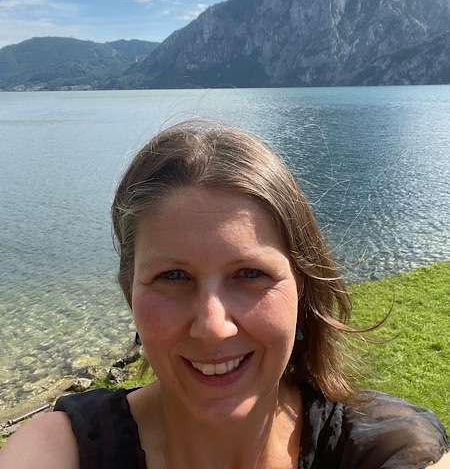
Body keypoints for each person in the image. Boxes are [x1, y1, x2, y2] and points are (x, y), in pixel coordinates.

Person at [1, 119, 449, 469]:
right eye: (174, 276)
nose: (213, 326)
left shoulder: (384, 448)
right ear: (130, 292)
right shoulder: (63, 450)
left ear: (302, 288)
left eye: (250, 273)